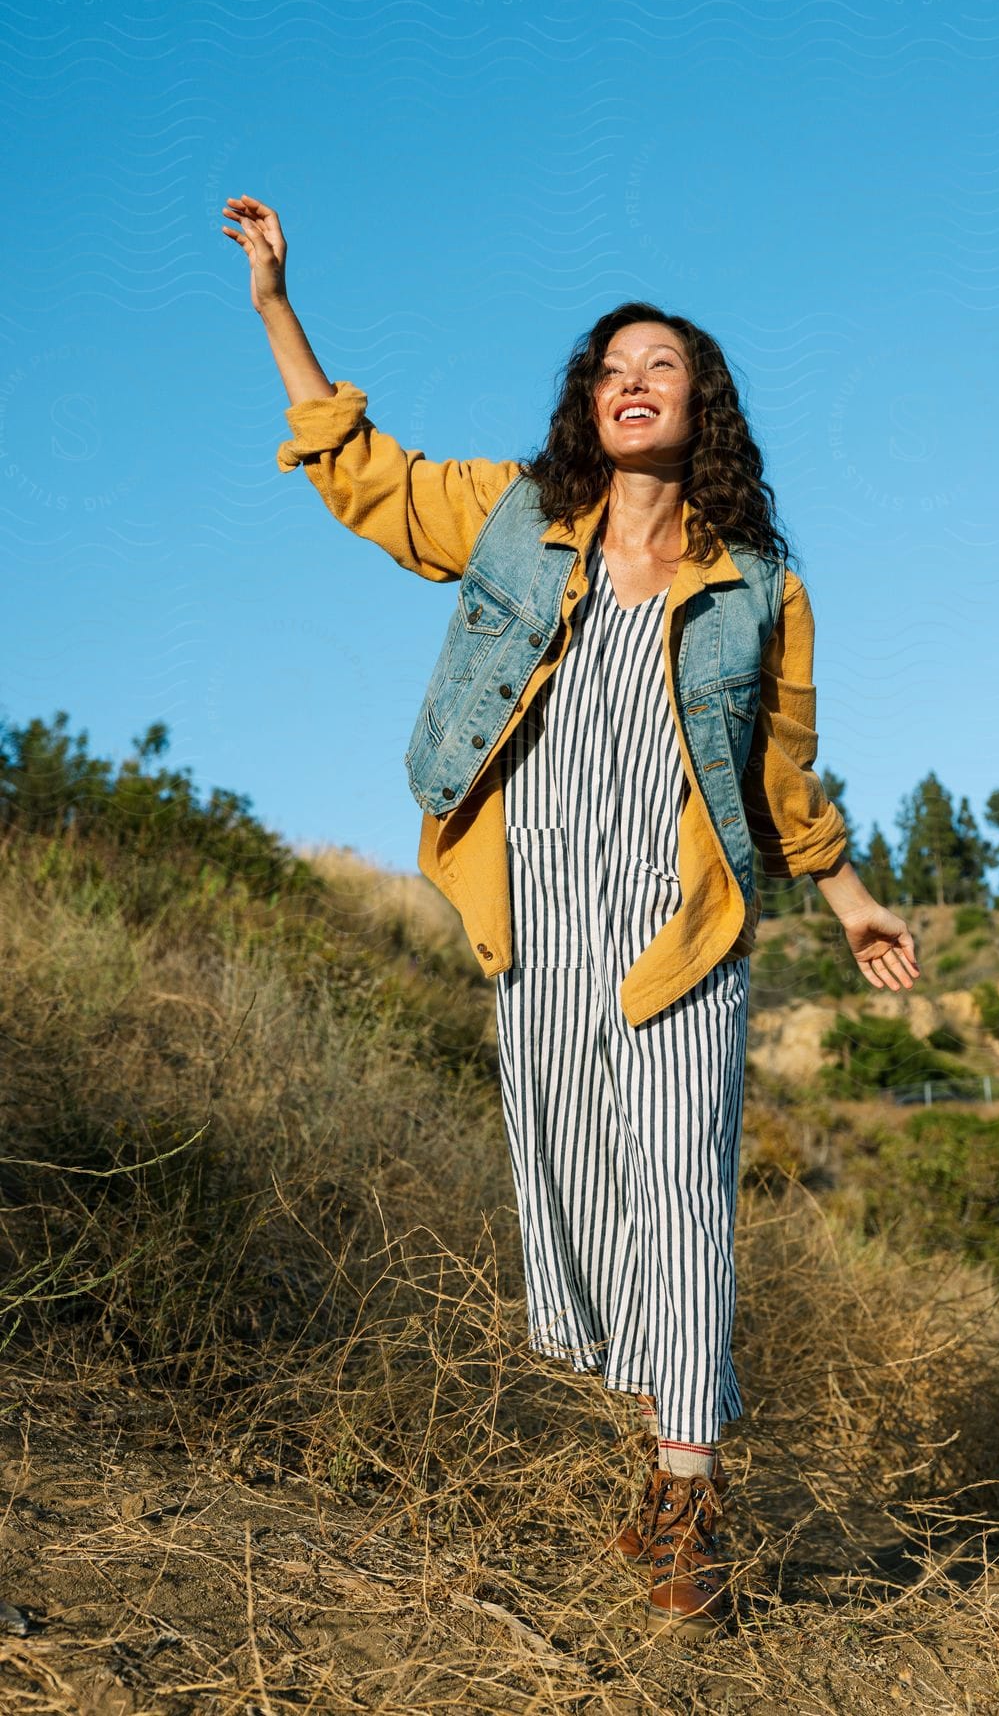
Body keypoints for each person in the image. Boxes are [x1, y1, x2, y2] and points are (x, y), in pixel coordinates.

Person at [223, 193, 920, 1641]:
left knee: (680, 1203)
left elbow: (777, 768)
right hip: (533, 919)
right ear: (583, 404)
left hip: (681, 931)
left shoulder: (759, 589)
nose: (630, 380)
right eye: (610, 366)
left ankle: (687, 1506)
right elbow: (358, 472)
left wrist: (846, 898)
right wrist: (278, 306)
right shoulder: (510, 520)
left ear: (699, 403)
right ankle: (658, 1452)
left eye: (658, 364)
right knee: (585, 1200)